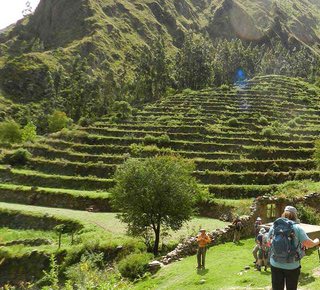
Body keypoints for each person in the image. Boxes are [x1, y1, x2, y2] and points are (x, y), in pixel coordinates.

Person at [267, 205, 320, 290]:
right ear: (295, 215)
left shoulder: (274, 226)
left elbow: (268, 242)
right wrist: (317, 241)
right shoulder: (297, 227)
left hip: (275, 263)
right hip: (292, 265)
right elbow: (308, 244)